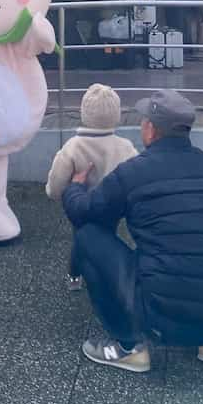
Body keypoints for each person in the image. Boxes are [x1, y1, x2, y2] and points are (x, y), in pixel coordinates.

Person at [61, 89, 203, 373]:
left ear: (150, 129)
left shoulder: (133, 172)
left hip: (162, 316)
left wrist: (75, 186)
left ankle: (129, 347)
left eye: (143, 121)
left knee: (89, 235)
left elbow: (83, 211)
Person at [45, 84, 138, 290]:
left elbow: (57, 183)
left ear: (84, 113)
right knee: (108, 235)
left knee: (80, 237)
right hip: (112, 207)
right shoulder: (125, 147)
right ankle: (107, 275)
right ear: (117, 114)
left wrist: (55, 193)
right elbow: (138, 177)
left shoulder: (73, 147)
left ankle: (74, 277)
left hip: (80, 205)